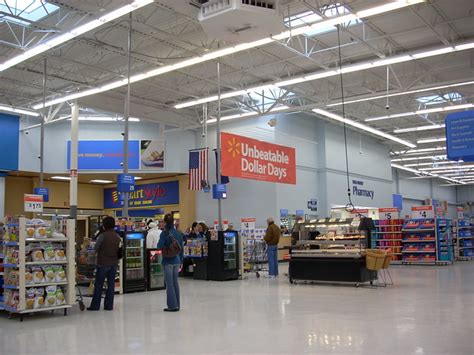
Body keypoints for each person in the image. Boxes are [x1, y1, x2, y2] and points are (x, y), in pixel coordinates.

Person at [88, 216, 121, 311]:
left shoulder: (103, 235)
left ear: (104, 225)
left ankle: (95, 306)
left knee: (99, 285)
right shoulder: (117, 236)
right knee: (111, 285)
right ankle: (109, 306)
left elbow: (95, 248)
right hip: (114, 263)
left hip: (103, 263)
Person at [157, 213, 184, 312]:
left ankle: (172, 306)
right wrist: (181, 261)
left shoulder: (164, 233)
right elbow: (181, 248)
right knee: (175, 282)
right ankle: (177, 304)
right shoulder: (179, 233)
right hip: (176, 260)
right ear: (173, 221)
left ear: (164, 222)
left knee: (169, 284)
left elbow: (159, 246)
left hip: (167, 260)